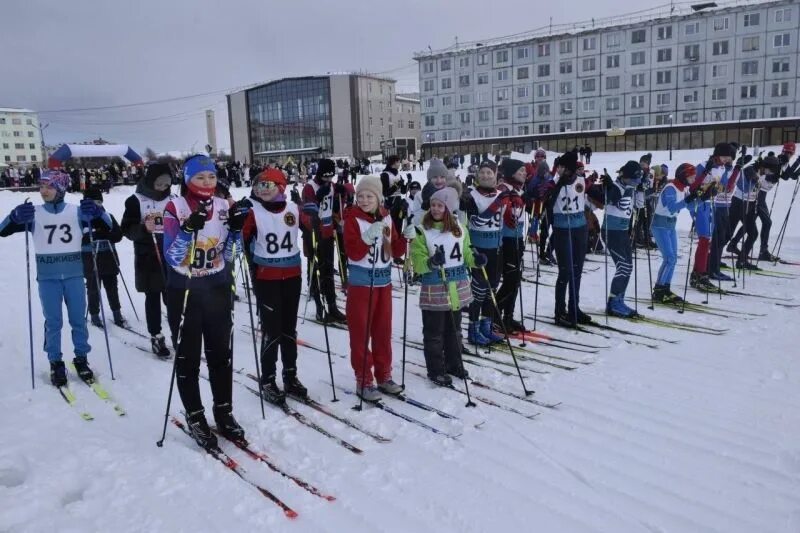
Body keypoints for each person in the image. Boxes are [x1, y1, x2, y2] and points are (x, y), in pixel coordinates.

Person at [163, 154, 247, 449]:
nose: (207, 183)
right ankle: (195, 415)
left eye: (211, 177)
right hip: (184, 289)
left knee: (220, 356)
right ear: (187, 179)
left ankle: (223, 411)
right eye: (200, 177)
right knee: (187, 356)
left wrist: (236, 230)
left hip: (217, 288)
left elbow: (230, 255)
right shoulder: (176, 207)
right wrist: (187, 231)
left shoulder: (226, 206)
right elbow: (172, 258)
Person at [0, 170, 97, 386]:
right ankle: (55, 361)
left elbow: (109, 227)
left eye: (49, 186)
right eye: (41, 186)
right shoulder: (33, 213)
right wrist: (14, 216)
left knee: (78, 320)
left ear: (61, 189)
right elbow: (2, 230)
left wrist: (98, 212)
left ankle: (81, 358)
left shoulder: (77, 211)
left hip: (74, 275)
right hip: (48, 278)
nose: (43, 191)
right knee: (53, 322)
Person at [242, 168, 307, 404]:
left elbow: (311, 228)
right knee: (272, 329)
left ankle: (290, 375)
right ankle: (268, 379)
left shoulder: (293, 209)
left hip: (292, 275)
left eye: (268, 185)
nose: (263, 190)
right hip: (266, 278)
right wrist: (237, 220)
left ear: (281, 187)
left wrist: (313, 220)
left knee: (289, 329)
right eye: (259, 186)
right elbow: (241, 235)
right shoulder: (253, 211)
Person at [342, 176, 406, 401]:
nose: (364, 200)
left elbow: (394, 252)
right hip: (361, 284)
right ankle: (363, 379)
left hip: (383, 283)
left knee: (383, 331)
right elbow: (354, 252)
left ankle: (384, 375)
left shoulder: (387, 217)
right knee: (360, 332)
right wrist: (368, 237)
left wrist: (405, 238)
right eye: (360, 196)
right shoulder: (353, 219)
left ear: (378, 198)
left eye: (369, 196)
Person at [411, 186, 479, 385]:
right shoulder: (422, 230)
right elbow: (417, 259)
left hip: (456, 286)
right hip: (435, 287)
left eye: (440, 205)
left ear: (449, 208)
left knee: (454, 329)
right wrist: (431, 262)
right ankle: (436, 369)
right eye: (433, 205)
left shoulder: (459, 227)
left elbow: (465, 253)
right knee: (434, 332)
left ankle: (454, 363)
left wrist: (476, 260)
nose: (436, 209)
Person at [120, 162, 174, 357]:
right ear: (150, 181)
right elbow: (126, 229)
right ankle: (156, 335)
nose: (162, 188)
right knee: (153, 297)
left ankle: (178, 332)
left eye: (166, 184)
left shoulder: (173, 199)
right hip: (148, 257)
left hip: (171, 254)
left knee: (173, 297)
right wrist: (143, 229)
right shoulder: (135, 200)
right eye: (158, 184)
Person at [462, 161, 506, 345]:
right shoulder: (470, 195)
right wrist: (497, 204)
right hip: (479, 249)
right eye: (483, 172)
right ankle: (473, 328)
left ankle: (485, 326)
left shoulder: (501, 194)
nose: (486, 176)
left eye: (490, 172)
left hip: (497, 247)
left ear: (496, 175)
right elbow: (476, 222)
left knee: (492, 289)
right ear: (477, 175)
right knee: (479, 290)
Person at [589, 161, 641, 317]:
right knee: (623, 267)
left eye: (637, 180)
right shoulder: (616, 188)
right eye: (633, 179)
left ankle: (619, 299)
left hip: (623, 231)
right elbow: (623, 205)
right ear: (625, 177)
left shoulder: (627, 187)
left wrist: (640, 190)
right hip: (611, 232)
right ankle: (613, 304)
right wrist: (631, 188)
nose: (635, 183)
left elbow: (639, 204)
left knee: (628, 267)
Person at [545, 151, 590, 326]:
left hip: (580, 227)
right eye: (559, 166)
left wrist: (606, 186)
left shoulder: (580, 181)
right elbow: (544, 199)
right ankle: (559, 311)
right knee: (565, 271)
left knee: (577, 270)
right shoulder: (554, 183)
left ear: (570, 169)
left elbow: (597, 195)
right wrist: (556, 185)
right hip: (563, 229)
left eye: (563, 167)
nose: (559, 169)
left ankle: (574, 308)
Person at [300, 158, 346, 323]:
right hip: (313, 233)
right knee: (316, 269)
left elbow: (335, 206)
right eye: (325, 176)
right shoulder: (310, 187)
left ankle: (332, 306)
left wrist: (343, 191)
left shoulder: (331, 185)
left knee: (327, 271)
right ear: (319, 173)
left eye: (330, 176)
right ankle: (320, 307)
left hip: (327, 232)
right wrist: (318, 198)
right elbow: (306, 210)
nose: (328, 180)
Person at [651, 163, 703, 303]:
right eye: (691, 177)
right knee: (669, 258)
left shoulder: (682, 188)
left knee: (672, 259)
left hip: (670, 225)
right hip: (660, 225)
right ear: (684, 176)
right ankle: (659, 291)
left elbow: (688, 206)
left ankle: (665, 288)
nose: (693, 180)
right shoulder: (670, 188)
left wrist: (701, 198)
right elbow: (673, 207)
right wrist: (688, 199)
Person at [691, 143, 736, 289]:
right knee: (705, 239)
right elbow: (691, 187)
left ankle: (698, 273)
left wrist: (716, 188)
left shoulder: (722, 168)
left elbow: (726, 188)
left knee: (707, 240)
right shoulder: (703, 165)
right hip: (698, 204)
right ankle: (700, 274)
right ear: (717, 155)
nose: (725, 160)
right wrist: (705, 177)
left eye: (727, 158)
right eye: (723, 157)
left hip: (711, 204)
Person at [81, 186, 127, 328]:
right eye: (93, 202)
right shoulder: (81, 218)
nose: (97, 206)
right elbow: (78, 238)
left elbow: (118, 235)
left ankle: (117, 313)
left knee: (112, 287)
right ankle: (94, 314)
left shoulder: (107, 216)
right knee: (93, 288)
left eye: (99, 202)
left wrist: (105, 235)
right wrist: (91, 235)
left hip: (108, 257)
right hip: (90, 257)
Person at [494, 158, 528, 333]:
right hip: (506, 240)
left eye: (524, 171)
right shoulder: (504, 189)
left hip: (517, 238)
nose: (524, 173)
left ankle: (508, 316)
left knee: (515, 281)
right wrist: (508, 201)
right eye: (520, 171)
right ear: (512, 173)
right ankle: (495, 314)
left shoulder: (518, 190)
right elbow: (500, 207)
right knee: (510, 280)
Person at [729, 155, 780, 269]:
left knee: (753, 234)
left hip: (750, 204)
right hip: (739, 203)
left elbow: (764, 187)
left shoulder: (762, 173)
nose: (769, 173)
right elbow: (745, 186)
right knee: (728, 233)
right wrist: (754, 179)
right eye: (769, 170)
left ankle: (742, 261)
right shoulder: (750, 169)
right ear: (764, 166)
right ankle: (711, 259)